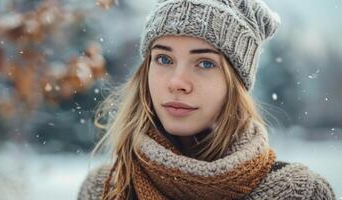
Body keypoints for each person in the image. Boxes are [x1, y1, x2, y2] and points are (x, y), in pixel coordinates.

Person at [77, 0, 336, 199]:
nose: (177, 82)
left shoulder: (299, 193)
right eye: (164, 59)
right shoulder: (104, 189)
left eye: (205, 63)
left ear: (235, 85)